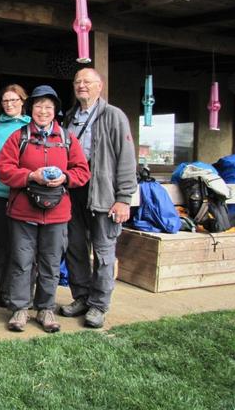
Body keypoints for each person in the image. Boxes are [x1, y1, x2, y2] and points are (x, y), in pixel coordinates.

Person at [0, 85, 90, 333]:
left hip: (57, 214)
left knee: (50, 262)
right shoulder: (19, 137)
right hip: (23, 212)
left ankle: (46, 308)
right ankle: (20, 309)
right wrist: (31, 176)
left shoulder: (67, 138)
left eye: (49, 106)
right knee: (21, 262)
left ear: (55, 110)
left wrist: (65, 178)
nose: (43, 111)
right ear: (31, 108)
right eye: (38, 105)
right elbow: (4, 169)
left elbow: (82, 171)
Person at [60, 68, 137, 328]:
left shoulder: (114, 116)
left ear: (99, 86)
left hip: (104, 194)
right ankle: (81, 297)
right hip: (74, 192)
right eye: (78, 82)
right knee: (75, 248)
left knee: (104, 252)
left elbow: (126, 158)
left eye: (87, 82)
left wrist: (124, 198)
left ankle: (98, 305)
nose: (82, 86)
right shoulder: (69, 117)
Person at [0, 84, 30, 308]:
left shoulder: (31, 125)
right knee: (2, 243)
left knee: (21, 244)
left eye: (14, 100)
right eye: (5, 101)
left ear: (23, 101)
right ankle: (3, 289)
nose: (9, 104)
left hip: (23, 192)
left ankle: (20, 289)